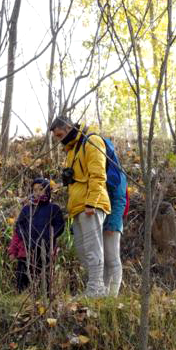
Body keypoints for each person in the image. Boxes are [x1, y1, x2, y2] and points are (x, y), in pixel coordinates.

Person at [49, 116, 111, 298]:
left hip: (91, 205)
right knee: (82, 250)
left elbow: (98, 175)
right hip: (77, 208)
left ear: (68, 128)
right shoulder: (71, 150)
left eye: (60, 135)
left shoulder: (92, 141)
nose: (60, 140)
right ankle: (97, 288)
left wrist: (91, 203)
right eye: (56, 137)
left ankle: (96, 290)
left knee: (93, 249)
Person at [14, 178, 65, 294]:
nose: (37, 192)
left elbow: (60, 226)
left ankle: (45, 296)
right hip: (27, 247)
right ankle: (20, 296)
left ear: (47, 190)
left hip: (45, 247)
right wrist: (26, 237)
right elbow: (19, 225)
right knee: (23, 273)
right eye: (35, 190)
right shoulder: (27, 209)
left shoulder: (53, 208)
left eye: (41, 189)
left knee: (44, 273)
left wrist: (48, 237)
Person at [103, 155, 128, 296]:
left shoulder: (117, 173)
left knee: (112, 258)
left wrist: (112, 223)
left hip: (112, 222)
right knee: (104, 260)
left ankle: (113, 296)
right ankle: (104, 294)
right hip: (100, 221)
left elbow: (120, 200)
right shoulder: (98, 171)